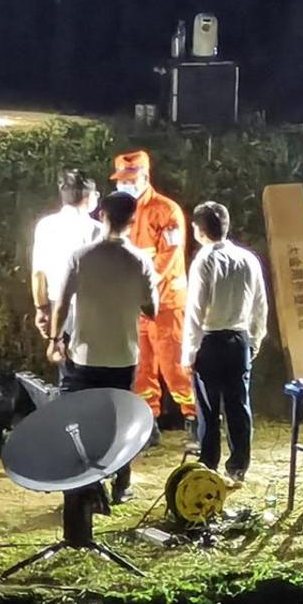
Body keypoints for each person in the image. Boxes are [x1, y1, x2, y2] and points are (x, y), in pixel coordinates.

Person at [46, 192, 158, 504]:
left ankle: (84, 487)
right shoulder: (141, 261)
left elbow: (61, 304)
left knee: (79, 421)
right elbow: (153, 310)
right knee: (120, 422)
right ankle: (121, 486)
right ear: (133, 220)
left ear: (101, 215)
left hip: (85, 355)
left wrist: (54, 340)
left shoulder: (80, 256)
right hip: (123, 355)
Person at [109, 150, 196, 443]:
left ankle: (195, 418)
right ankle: (148, 425)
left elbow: (167, 258)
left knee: (175, 365)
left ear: (145, 177)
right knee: (141, 366)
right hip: (134, 304)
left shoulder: (166, 211)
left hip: (167, 302)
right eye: (121, 180)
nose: (125, 185)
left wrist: (140, 284)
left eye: (130, 180)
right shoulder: (120, 210)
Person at [182, 202, 269, 483]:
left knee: (208, 408)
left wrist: (189, 351)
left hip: (209, 341)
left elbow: (196, 310)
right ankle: (239, 465)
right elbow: (260, 304)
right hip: (239, 339)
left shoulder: (204, 260)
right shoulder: (248, 259)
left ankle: (208, 463)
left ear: (200, 229)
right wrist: (255, 339)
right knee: (238, 406)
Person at [30, 169, 100, 341]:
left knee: (63, 359)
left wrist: (41, 308)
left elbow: (38, 273)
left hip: (56, 307)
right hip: (94, 310)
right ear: (89, 196)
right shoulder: (99, 230)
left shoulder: (45, 226)